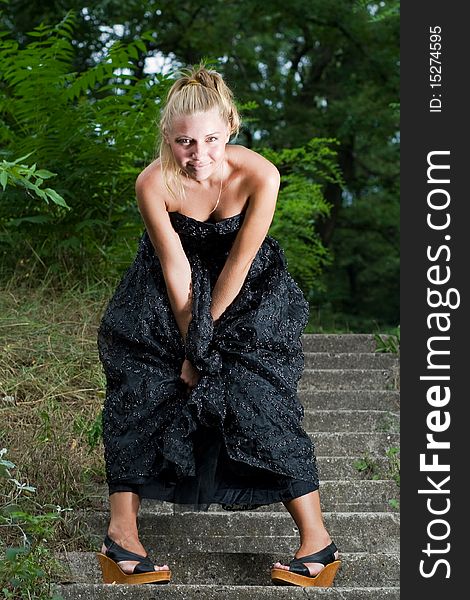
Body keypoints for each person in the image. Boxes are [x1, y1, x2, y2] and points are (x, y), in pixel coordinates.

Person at [96, 64, 340, 587]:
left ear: (229, 127)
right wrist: (190, 345)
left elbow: (239, 265)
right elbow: (175, 268)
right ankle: (121, 538)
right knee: (142, 387)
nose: (198, 154)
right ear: (167, 137)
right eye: (184, 142)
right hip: (166, 296)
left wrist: (204, 351)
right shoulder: (153, 183)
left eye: (210, 139)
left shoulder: (261, 175)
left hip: (248, 291)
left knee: (257, 392)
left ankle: (318, 543)